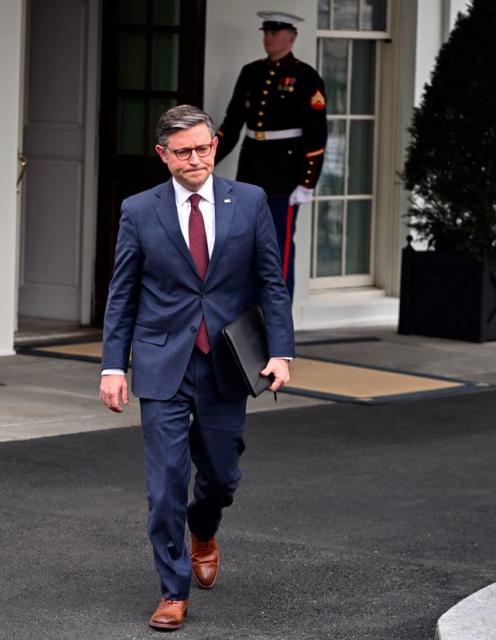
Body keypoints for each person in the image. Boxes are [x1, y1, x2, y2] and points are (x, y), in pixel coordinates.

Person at [99, 104, 295, 631]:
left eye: (203, 148)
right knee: (165, 482)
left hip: (228, 362)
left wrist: (281, 352)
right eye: (182, 152)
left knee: (222, 475)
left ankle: (203, 529)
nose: (195, 159)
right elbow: (122, 295)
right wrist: (113, 366)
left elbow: (271, 284)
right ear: (163, 156)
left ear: (215, 144)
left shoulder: (249, 201)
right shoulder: (140, 210)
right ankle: (172, 589)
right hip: (163, 361)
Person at [215, 10, 328, 296]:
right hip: (252, 168)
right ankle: (250, 317)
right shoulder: (251, 72)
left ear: (290, 37)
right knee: (246, 245)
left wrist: (307, 181)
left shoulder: (305, 77)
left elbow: (316, 134)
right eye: (265, 33)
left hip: (285, 176)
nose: (267, 38)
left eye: (274, 33)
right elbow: (232, 123)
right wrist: (206, 159)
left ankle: (277, 319)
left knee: (277, 246)